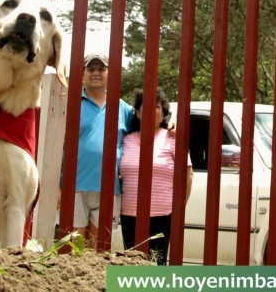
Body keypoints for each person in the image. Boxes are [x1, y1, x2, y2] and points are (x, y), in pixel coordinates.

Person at [119, 87, 193, 265]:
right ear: (137, 112)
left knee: (156, 265)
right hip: (129, 215)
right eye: (146, 105)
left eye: (157, 106)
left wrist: (180, 206)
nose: (152, 109)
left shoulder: (172, 138)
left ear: (164, 112)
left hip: (163, 215)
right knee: (132, 265)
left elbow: (188, 173)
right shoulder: (126, 140)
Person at [72, 53, 134, 244]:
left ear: (110, 74)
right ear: (82, 74)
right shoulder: (71, 103)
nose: (96, 73)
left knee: (98, 251)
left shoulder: (124, 109)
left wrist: (169, 127)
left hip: (109, 188)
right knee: (71, 251)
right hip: (74, 187)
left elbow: (148, 131)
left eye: (101, 69)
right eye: (90, 69)